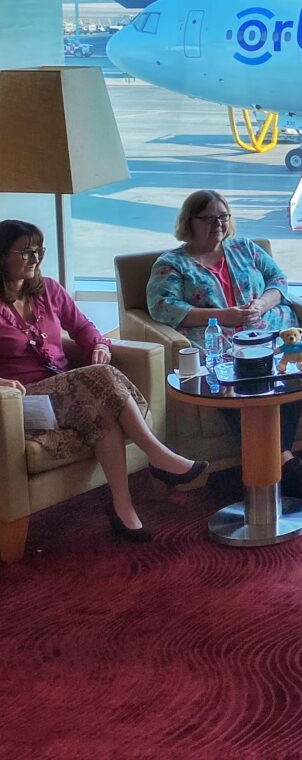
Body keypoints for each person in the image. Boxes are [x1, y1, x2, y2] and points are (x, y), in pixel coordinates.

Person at [0, 220, 206, 543]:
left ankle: (123, 510)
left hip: (69, 390)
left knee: (104, 417)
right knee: (99, 377)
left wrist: (99, 344)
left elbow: (84, 328)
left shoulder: (49, 290)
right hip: (24, 401)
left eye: (38, 250)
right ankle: (158, 455)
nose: (35, 258)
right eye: (25, 252)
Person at [147, 190, 302, 497]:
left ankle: (278, 457)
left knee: (293, 375)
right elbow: (162, 307)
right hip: (218, 342)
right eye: (209, 218)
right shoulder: (172, 264)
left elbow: (279, 280)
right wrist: (221, 315)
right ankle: (283, 460)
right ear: (190, 221)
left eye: (223, 217)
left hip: (267, 333)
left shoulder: (244, 248)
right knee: (228, 386)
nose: (218, 224)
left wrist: (261, 305)